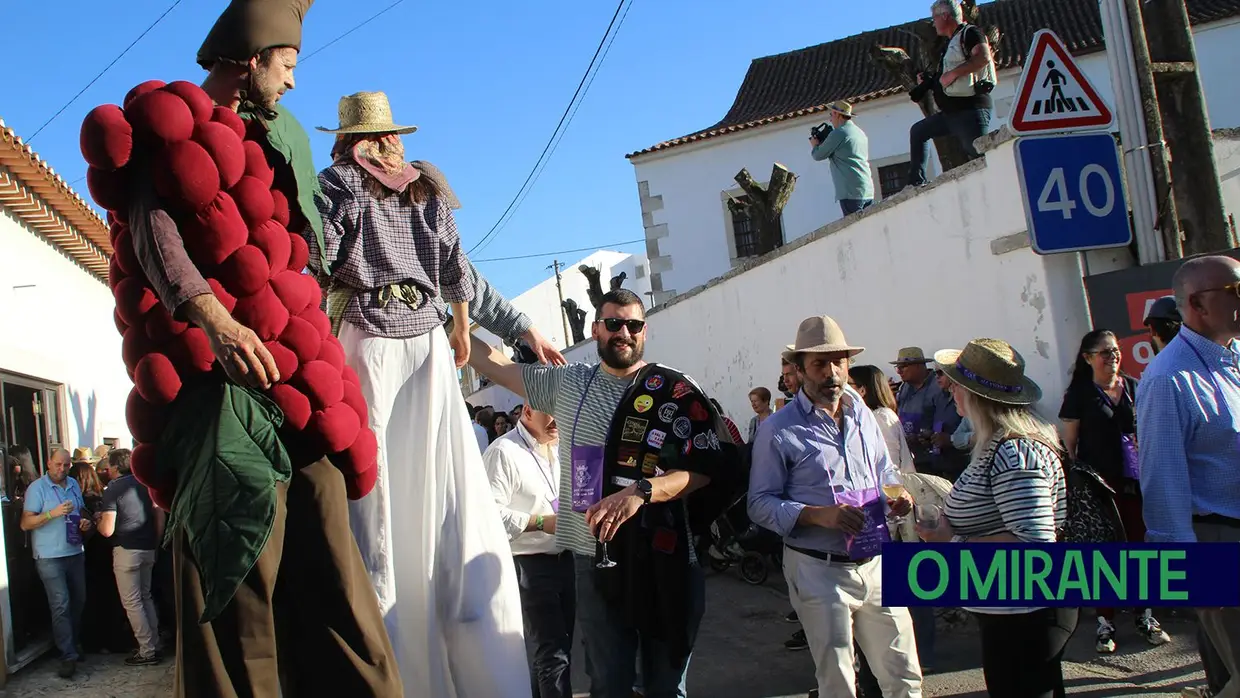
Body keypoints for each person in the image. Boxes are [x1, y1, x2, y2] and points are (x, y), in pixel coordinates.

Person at [81, 1, 402, 694]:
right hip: (215, 386)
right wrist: (216, 322)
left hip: (297, 378)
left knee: (334, 571)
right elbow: (154, 234)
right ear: (253, 60)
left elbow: (307, 253)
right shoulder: (169, 126)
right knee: (233, 589)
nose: (291, 83)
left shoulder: (277, 138)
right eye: (286, 66)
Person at [311, 90, 531, 695]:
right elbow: (449, 266)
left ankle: (425, 646)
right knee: (384, 492)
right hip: (382, 340)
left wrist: (460, 328)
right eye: (384, 138)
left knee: (438, 485)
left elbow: (450, 262)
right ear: (367, 141)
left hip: (397, 341)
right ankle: (398, 652)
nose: (392, 147)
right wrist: (459, 328)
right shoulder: (345, 184)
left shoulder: (412, 186)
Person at [467, 288, 740, 698]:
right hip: (593, 560)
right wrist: (444, 313)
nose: (623, 333)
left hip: (663, 558)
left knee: (665, 685)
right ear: (596, 330)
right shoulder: (569, 383)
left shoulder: (673, 389)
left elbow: (704, 470)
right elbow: (496, 365)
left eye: (633, 325)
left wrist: (641, 492)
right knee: (608, 682)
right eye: (613, 324)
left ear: (644, 331)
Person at [749, 316, 922, 698]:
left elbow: (882, 468)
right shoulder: (777, 429)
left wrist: (894, 496)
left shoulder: (860, 409)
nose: (832, 373)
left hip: (876, 560)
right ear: (799, 370)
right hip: (818, 568)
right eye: (819, 364)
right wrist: (815, 514)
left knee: (904, 674)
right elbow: (759, 504)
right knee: (839, 683)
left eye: (839, 362)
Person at [917, 338, 1075, 698]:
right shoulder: (996, 443)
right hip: (1008, 606)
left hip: (1026, 609)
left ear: (973, 394)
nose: (951, 392)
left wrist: (951, 541)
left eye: (956, 384)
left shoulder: (1015, 450)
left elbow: (1034, 545)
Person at [1139, 255, 1240, 698]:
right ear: (1197, 304)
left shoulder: (1233, 357)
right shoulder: (1168, 379)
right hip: (1219, 540)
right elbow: (1163, 483)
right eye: (1234, 290)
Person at [1059, 330, 1169, 654]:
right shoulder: (1080, 393)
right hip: (1098, 487)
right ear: (1088, 357)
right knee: (1103, 554)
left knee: (1138, 547)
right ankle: (1105, 622)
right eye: (1105, 352)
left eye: (1116, 350)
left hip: (1134, 484)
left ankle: (1145, 615)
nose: (1113, 357)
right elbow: (1071, 445)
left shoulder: (1134, 386)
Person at [484, 405, 573, 698]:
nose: (558, 420)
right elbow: (488, 514)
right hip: (528, 563)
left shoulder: (562, 446)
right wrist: (539, 522)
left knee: (560, 647)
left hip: (565, 557)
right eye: (551, 411)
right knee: (552, 650)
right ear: (527, 411)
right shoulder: (503, 452)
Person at [906, 0, 997, 187]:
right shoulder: (950, 43)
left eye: (934, 18)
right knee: (918, 131)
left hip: (970, 111)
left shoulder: (971, 32)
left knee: (979, 154)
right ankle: (916, 183)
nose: (933, 23)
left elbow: (983, 57)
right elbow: (945, 78)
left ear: (945, 16)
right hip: (951, 114)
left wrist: (953, 74)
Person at [20, 448, 89, 678]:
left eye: (67, 465)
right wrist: (52, 514)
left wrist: (84, 523)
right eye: (58, 464)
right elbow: (25, 523)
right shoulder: (37, 488)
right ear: (48, 463)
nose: (62, 469)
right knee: (60, 604)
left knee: (78, 601)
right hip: (49, 556)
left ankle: (73, 642)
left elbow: (80, 512)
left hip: (74, 551)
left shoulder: (73, 484)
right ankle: (67, 655)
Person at [96, 449, 166, 666]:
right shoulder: (146, 483)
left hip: (126, 550)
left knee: (133, 602)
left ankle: (147, 651)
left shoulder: (114, 489)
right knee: (146, 596)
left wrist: (97, 520)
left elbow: (107, 530)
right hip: (148, 548)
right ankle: (155, 643)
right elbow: (159, 513)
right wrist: (156, 540)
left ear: (115, 467)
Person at [809, 101, 874, 216]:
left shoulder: (839, 133)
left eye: (831, 115)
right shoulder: (859, 132)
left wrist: (815, 145)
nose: (830, 119)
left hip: (850, 191)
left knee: (854, 228)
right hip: (867, 189)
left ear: (837, 114)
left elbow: (818, 155)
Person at [849, 365, 914, 473]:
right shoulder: (866, 416)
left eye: (848, 384)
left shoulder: (881, 417)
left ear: (862, 390)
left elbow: (891, 461)